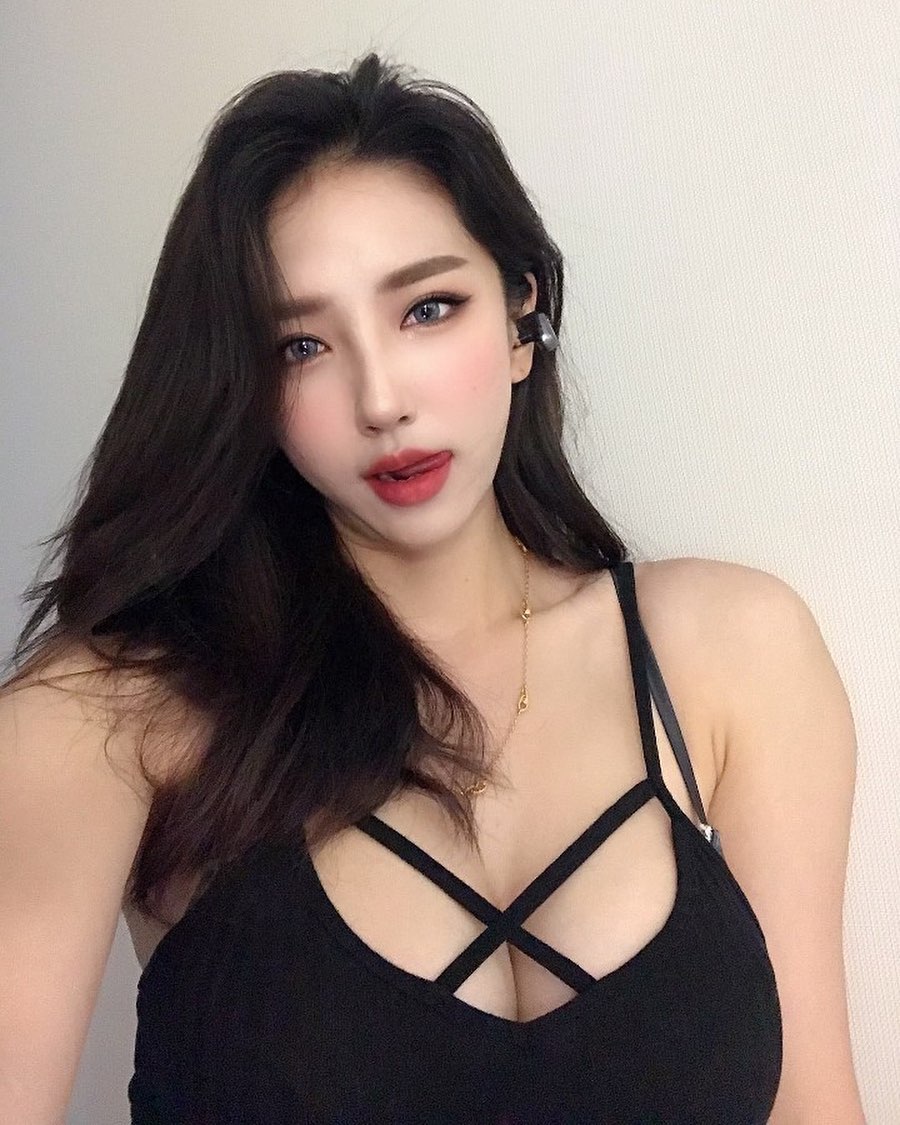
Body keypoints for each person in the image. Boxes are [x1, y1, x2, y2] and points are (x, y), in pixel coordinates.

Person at [0, 51, 863, 1124]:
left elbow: (814, 1106)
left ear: (521, 316)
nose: (381, 400)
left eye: (428, 308)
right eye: (301, 345)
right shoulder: (106, 720)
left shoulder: (734, 654)